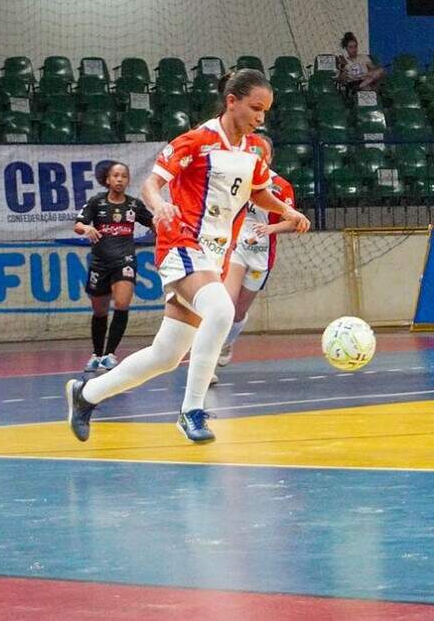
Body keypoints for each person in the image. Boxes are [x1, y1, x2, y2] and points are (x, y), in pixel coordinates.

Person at [65, 69, 311, 444]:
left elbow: (259, 193)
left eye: (266, 111)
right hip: (181, 244)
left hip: (214, 256)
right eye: (255, 108)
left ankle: (85, 395)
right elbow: (151, 183)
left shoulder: (252, 153)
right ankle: (191, 410)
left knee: (166, 355)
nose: (261, 117)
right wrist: (159, 205)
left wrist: (287, 212)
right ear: (232, 102)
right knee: (222, 310)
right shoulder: (196, 141)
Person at [211, 134, 299, 374]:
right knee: (225, 305)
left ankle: (228, 342)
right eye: (254, 150)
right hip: (237, 248)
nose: (258, 155)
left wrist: (272, 228)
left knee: (239, 311)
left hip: (261, 253)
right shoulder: (236, 180)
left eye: (263, 152)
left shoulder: (280, 186)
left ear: (269, 156)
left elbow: (293, 221)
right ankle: (209, 363)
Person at [73, 161, 155, 372]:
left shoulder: (134, 205)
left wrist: (164, 229)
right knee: (99, 310)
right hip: (100, 263)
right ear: (107, 180)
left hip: (125, 260)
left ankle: (110, 354)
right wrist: (86, 228)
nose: (120, 179)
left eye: (124, 176)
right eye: (116, 175)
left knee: (122, 303)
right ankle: (96, 354)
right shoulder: (96, 202)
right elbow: (78, 224)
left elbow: (153, 222)